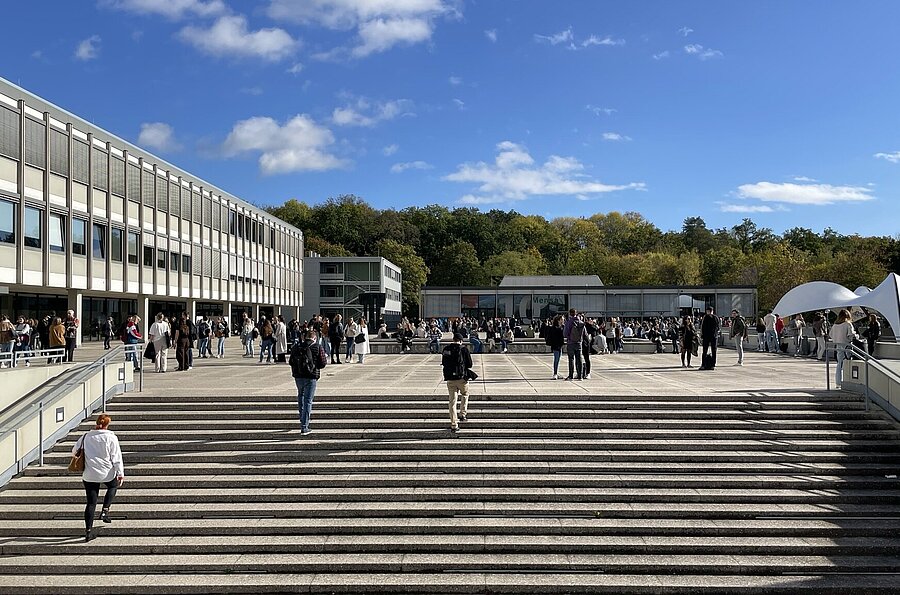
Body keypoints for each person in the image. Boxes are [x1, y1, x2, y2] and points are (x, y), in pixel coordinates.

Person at [72, 414, 124, 542]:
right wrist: (120, 473)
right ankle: (105, 510)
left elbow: (74, 451)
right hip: (107, 472)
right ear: (107, 424)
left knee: (91, 503)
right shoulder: (111, 437)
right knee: (113, 486)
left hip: (89, 474)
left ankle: (88, 531)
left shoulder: (86, 436)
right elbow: (116, 457)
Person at [290, 329, 328, 435]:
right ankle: (304, 426)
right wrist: (314, 366)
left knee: (300, 396)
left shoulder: (296, 347)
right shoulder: (317, 347)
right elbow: (323, 363)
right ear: (314, 338)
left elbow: (291, 361)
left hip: (298, 377)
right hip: (311, 376)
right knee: (308, 400)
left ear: (304, 337)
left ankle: (302, 420)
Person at [442, 333, 473, 433]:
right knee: (465, 394)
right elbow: (470, 364)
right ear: (461, 340)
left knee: (452, 402)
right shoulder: (464, 349)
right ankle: (462, 414)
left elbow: (444, 362)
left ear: (453, 339)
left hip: (450, 379)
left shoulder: (446, 349)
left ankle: (454, 424)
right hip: (462, 378)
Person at [830, 309, 858, 388]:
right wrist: (856, 336)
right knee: (847, 363)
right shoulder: (847, 324)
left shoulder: (835, 325)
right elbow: (851, 335)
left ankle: (838, 382)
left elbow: (831, 334)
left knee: (839, 364)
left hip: (838, 345)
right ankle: (847, 382)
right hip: (846, 345)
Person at [563, 308, 585, 381]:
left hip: (570, 342)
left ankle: (571, 375)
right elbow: (584, 333)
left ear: (570, 314)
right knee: (579, 359)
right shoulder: (581, 322)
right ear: (576, 313)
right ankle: (580, 376)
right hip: (579, 343)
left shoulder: (569, 322)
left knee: (571, 359)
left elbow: (565, 333)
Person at [699, 306, 720, 370]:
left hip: (712, 336)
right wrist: (702, 335)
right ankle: (703, 364)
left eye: (710, 311)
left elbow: (718, 327)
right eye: (708, 311)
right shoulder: (705, 317)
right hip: (707, 336)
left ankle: (712, 364)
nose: (709, 313)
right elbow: (702, 327)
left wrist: (715, 334)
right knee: (705, 350)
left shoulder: (715, 318)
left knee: (713, 350)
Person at [545, 315, 564, 379]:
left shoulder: (562, 327)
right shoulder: (554, 328)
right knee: (556, 359)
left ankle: (556, 373)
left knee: (558, 359)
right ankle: (555, 373)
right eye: (562, 319)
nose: (563, 320)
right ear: (559, 320)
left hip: (559, 346)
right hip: (556, 345)